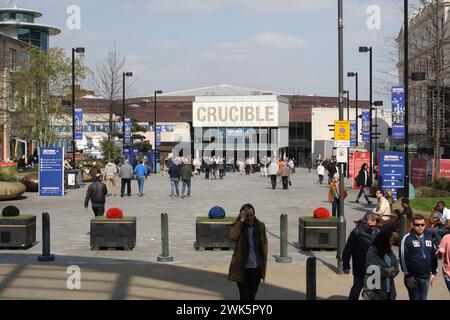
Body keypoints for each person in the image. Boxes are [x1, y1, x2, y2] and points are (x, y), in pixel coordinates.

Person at [228, 204, 268, 300]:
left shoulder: (260, 226)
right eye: (247, 216)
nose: (249, 218)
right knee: (244, 296)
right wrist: (241, 220)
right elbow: (232, 236)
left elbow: (264, 241)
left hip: (256, 268)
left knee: (252, 294)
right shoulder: (239, 226)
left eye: (251, 215)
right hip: (243, 269)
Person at [400, 214, 438, 300]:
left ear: (425, 225)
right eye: (417, 225)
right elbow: (403, 258)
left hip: (426, 277)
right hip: (413, 277)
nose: (420, 227)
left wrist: (434, 272)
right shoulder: (407, 239)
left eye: (422, 224)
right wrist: (408, 275)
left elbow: (433, 255)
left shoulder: (428, 237)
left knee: (423, 298)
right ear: (412, 225)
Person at [343, 213, 380, 300]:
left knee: (373, 293)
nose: (372, 228)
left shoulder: (377, 232)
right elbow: (347, 250)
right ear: (364, 222)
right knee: (356, 290)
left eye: (374, 226)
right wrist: (346, 265)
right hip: (360, 267)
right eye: (370, 226)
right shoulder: (356, 233)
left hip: (374, 268)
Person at [362, 230, 399, 300]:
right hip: (375, 291)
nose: (392, 243)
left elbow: (396, 268)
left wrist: (387, 270)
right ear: (384, 241)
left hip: (389, 290)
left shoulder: (390, 252)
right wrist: (388, 270)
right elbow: (374, 271)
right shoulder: (371, 253)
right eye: (391, 241)